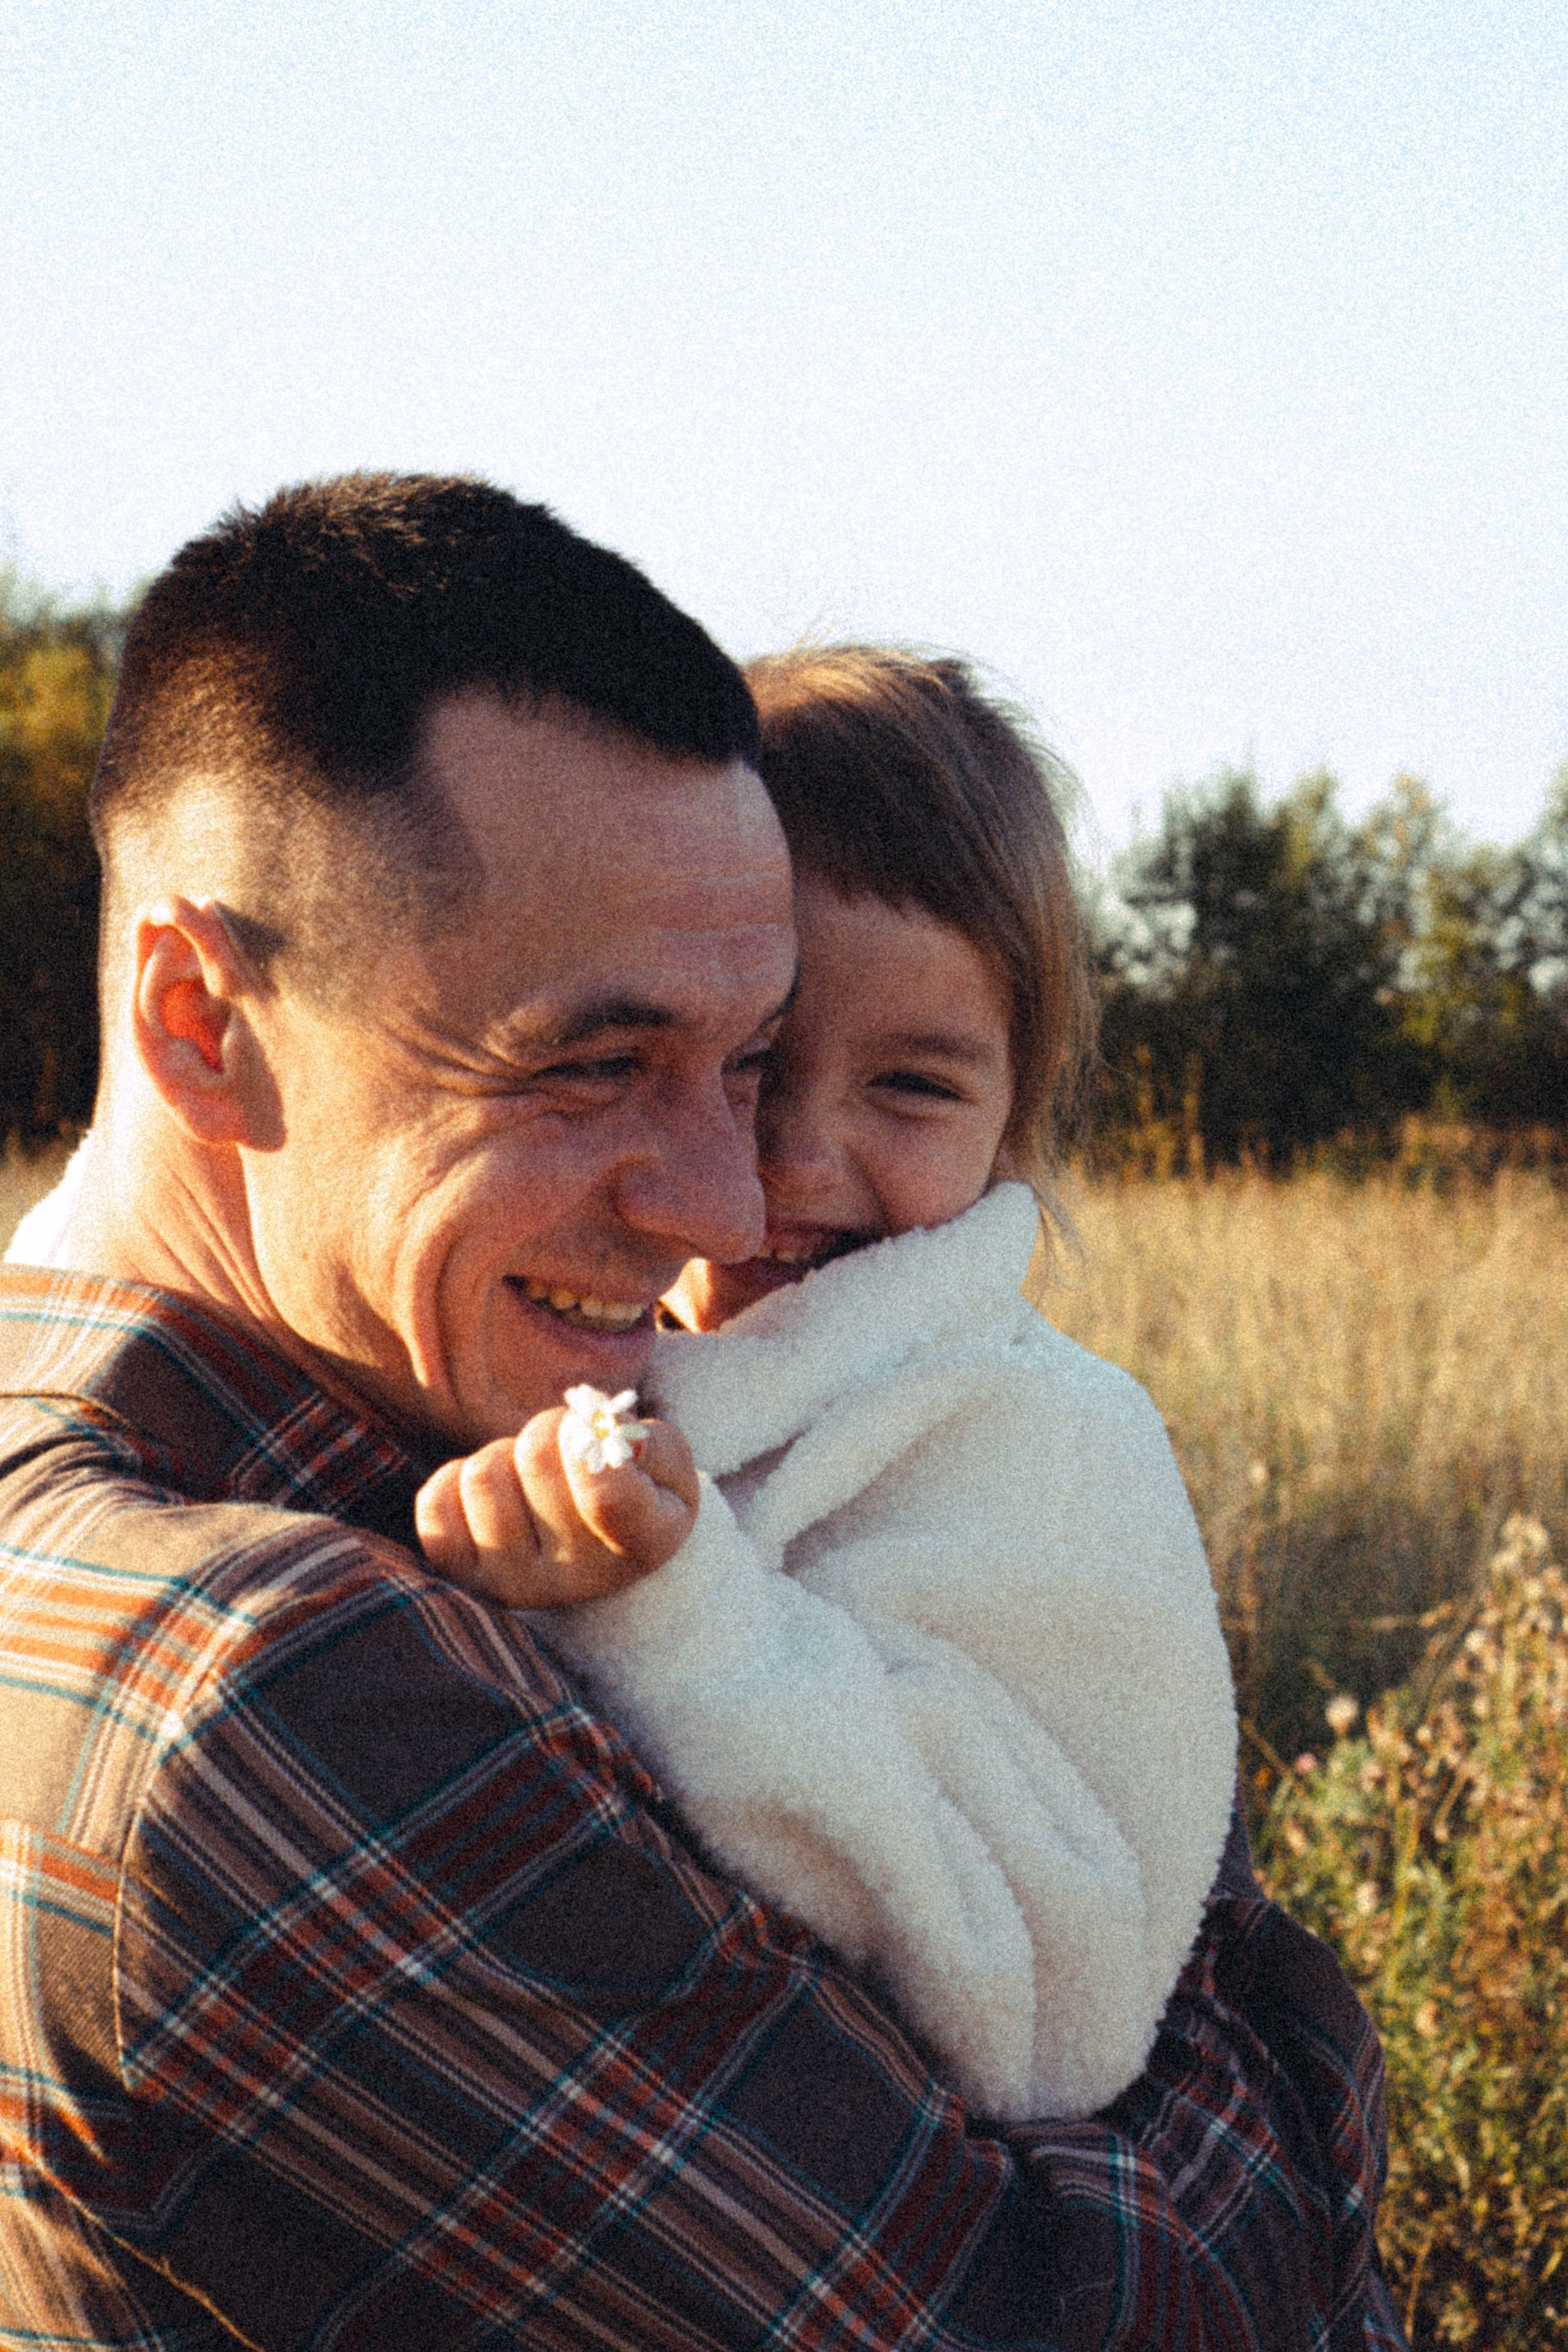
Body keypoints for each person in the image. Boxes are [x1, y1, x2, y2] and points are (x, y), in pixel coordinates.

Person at [0, 473, 1406, 2350]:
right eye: (595, 1063)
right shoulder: (273, 1685)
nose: (735, 1209)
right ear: (201, 1017)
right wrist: (1288, 2046)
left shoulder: (327, 1447)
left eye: (734, 1064)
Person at [415, 646, 1240, 2129]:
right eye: (749, 1064)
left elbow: (1057, 2002)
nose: (791, 1163)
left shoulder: (1045, 1443)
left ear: (1013, 1114)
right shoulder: (568, 1344)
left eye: (912, 1086)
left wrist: (670, 1614)